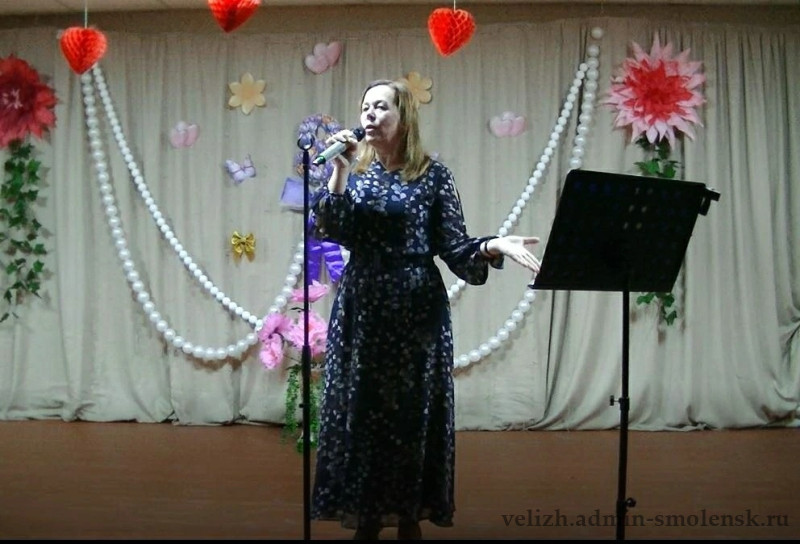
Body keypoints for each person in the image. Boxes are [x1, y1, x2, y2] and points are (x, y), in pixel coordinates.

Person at [309, 79, 541, 540]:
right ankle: (366, 514)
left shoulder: (433, 176)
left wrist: (493, 244)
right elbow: (331, 227)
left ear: (404, 117)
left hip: (416, 309)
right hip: (363, 306)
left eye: (381, 107)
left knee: (411, 412)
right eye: (365, 106)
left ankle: (408, 514)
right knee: (362, 410)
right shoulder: (356, 173)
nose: (370, 114)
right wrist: (339, 171)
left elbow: (454, 246)